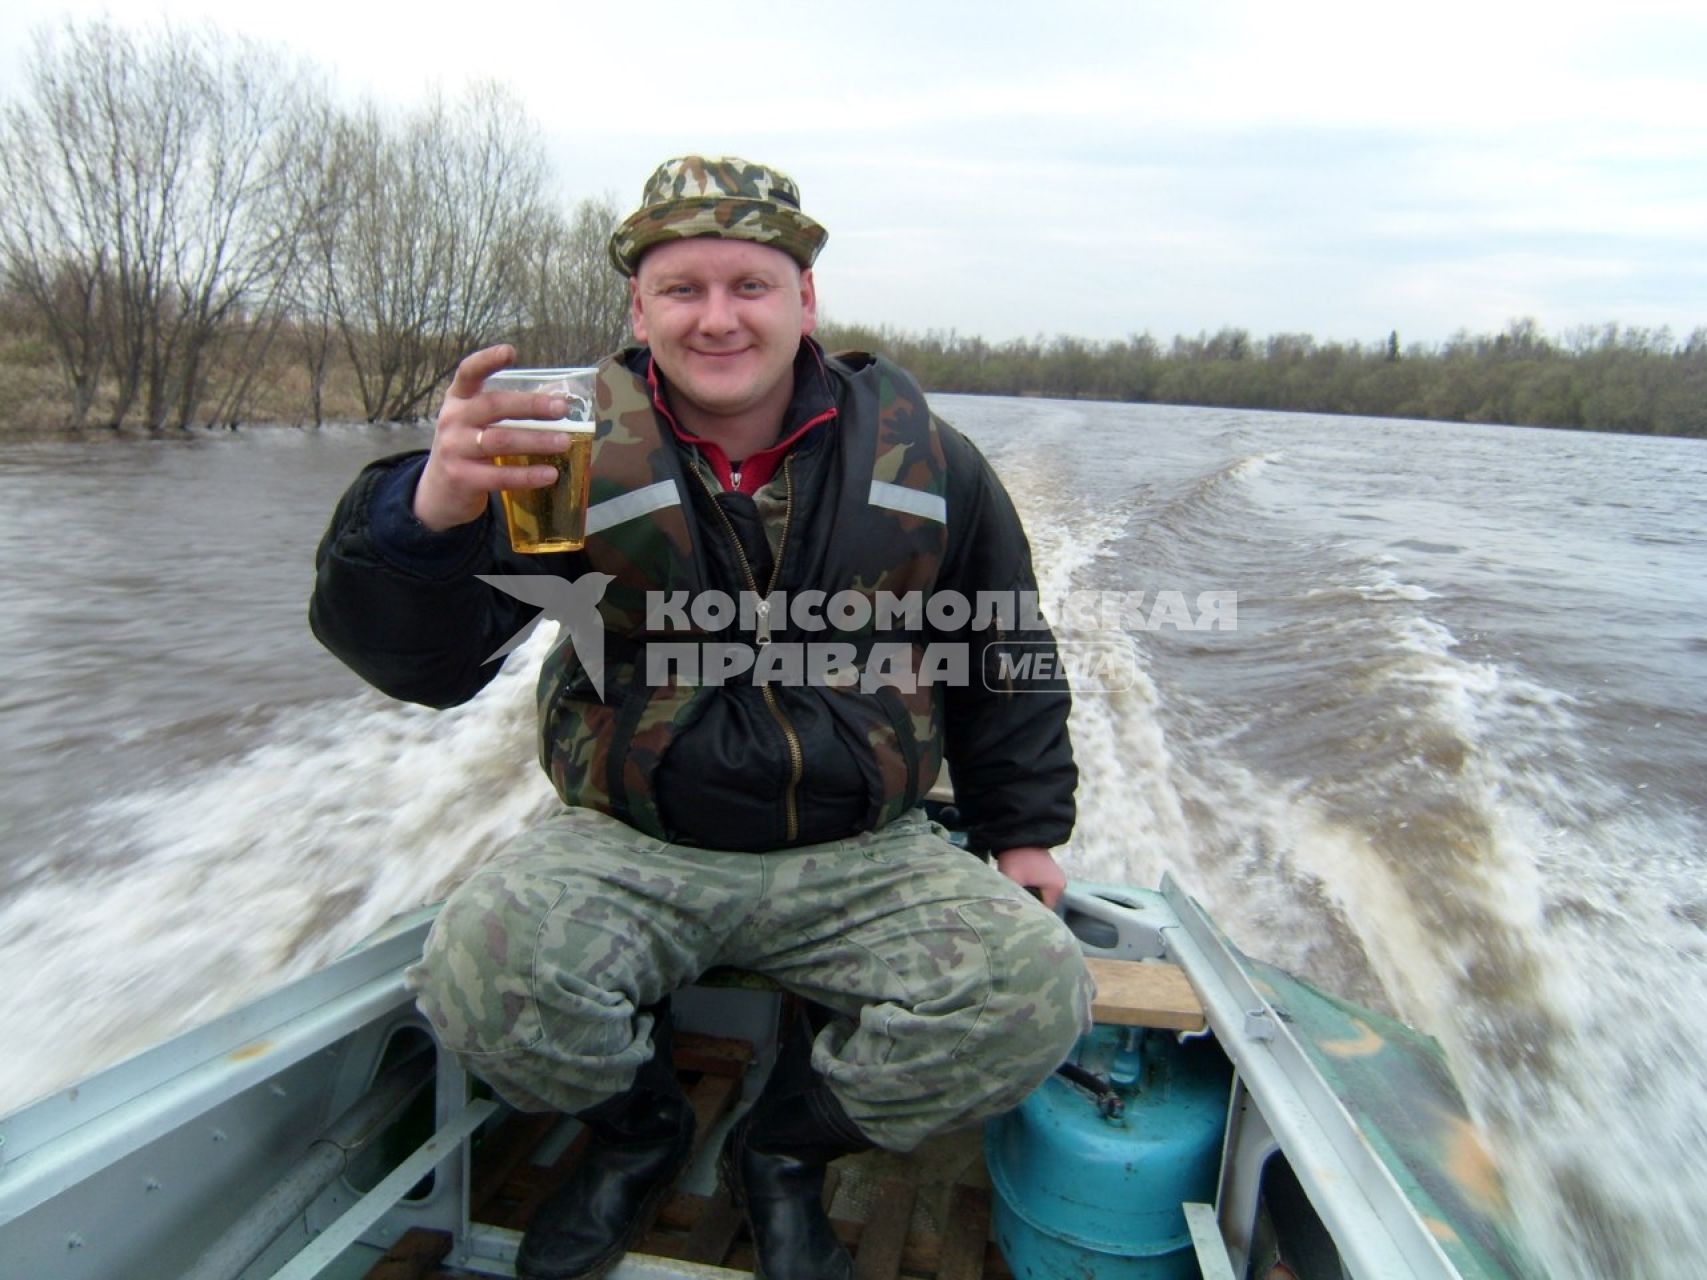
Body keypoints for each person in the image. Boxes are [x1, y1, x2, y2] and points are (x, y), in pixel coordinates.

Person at [310, 155, 1093, 1280]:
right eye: (682, 288)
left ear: (805, 299)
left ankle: (782, 1145)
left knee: (1035, 993)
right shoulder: (553, 450)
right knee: (479, 972)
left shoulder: (931, 461)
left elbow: (1002, 648)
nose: (717, 317)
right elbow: (420, 664)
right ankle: (642, 1126)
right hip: (630, 836)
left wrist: (1023, 832)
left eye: (750, 285)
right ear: (638, 308)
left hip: (861, 849)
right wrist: (427, 511)